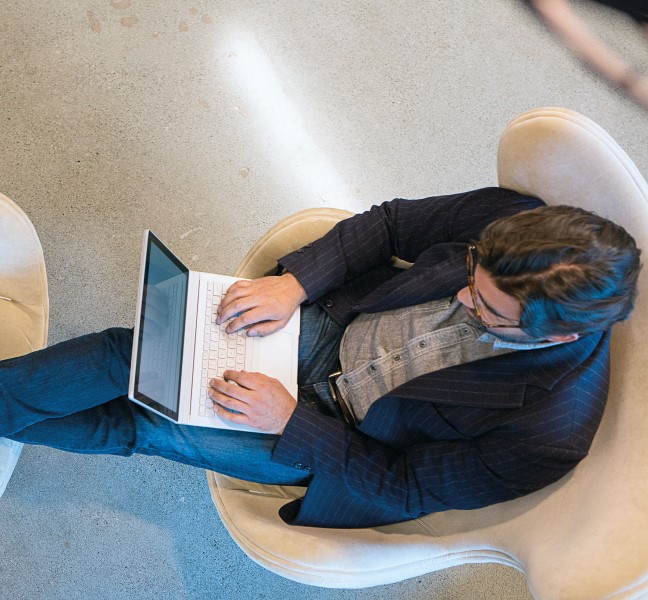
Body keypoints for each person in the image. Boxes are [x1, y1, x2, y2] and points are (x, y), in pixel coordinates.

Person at [1, 187, 640, 528]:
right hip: (332, 328)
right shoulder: (516, 221)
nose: (463, 294)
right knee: (131, 354)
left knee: (141, 423)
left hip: (333, 439)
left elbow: (406, 488)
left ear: (554, 338)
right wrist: (295, 285)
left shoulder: (549, 432)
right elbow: (391, 224)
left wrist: (291, 423)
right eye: (473, 273)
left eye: (488, 310)